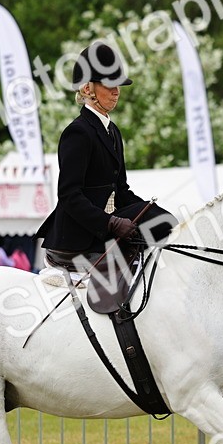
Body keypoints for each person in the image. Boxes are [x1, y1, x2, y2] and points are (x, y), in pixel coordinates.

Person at [35, 41, 176, 272]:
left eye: (118, 84)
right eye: (109, 84)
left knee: (164, 220)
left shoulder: (113, 131)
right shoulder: (78, 132)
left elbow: (120, 190)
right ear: (87, 88)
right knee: (159, 220)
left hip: (104, 226)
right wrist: (110, 222)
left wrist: (143, 208)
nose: (116, 90)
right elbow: (69, 195)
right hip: (80, 232)